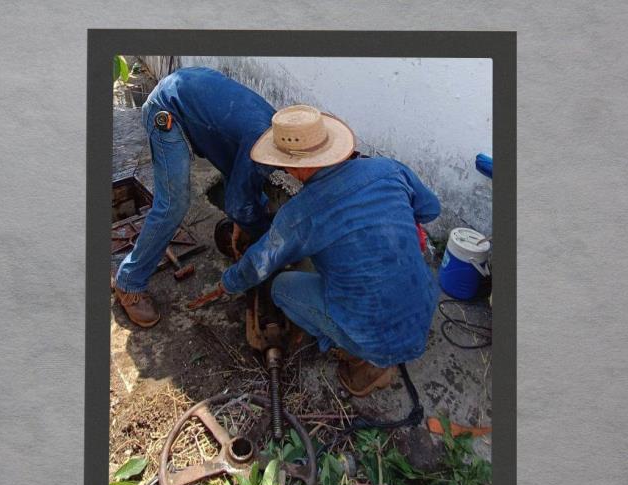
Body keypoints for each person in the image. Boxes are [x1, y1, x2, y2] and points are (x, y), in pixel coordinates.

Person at [219, 105, 441, 397]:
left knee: (282, 287)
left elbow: (258, 265)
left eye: (284, 165)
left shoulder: (300, 215)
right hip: (424, 310)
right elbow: (430, 210)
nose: (284, 170)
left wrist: (228, 282)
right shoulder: (389, 168)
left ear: (296, 168)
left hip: (377, 341)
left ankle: (364, 360)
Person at [114, 66, 276, 327]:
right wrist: (258, 231)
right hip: (166, 108)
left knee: (244, 195)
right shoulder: (264, 141)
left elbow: (238, 175)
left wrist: (244, 222)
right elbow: (238, 202)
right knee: (173, 205)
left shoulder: (275, 125)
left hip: (193, 90)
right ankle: (129, 283)